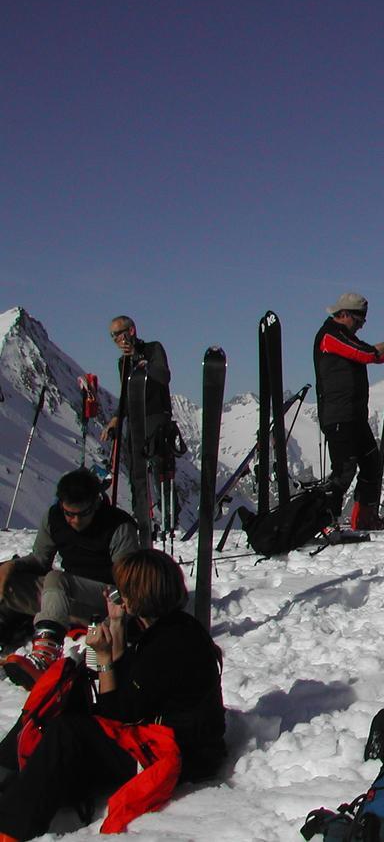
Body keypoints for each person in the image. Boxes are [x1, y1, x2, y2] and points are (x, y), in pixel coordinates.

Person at [0, 548, 226, 840]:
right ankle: (7, 773)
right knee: (67, 697)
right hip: (162, 739)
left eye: (124, 589)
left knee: (68, 731)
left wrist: (104, 658)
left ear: (138, 595)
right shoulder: (167, 629)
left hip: (177, 754)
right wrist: (117, 628)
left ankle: (10, 827)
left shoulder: (171, 643)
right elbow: (126, 685)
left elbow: (116, 713)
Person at [0, 469, 144, 689]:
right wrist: (11, 566)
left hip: (105, 601)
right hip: (62, 595)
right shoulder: (53, 517)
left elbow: (128, 584)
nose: (75, 520)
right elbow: (40, 559)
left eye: (82, 513)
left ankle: (44, 657)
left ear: (95, 503)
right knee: (9, 579)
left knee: (56, 580)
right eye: (69, 514)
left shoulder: (118, 526)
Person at [313, 293, 384, 530]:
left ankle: (364, 516)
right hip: (338, 416)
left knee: (371, 462)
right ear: (344, 314)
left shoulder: (343, 336)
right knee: (344, 470)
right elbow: (367, 354)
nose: (362, 324)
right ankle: (326, 521)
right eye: (359, 319)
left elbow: (373, 355)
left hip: (353, 416)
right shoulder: (331, 336)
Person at [99, 315, 172, 538]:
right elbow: (126, 396)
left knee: (161, 467)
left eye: (119, 333)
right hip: (135, 419)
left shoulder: (153, 349)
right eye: (112, 336)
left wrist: (141, 360)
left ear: (131, 330)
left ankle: (169, 520)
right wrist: (116, 418)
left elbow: (164, 376)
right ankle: (141, 515)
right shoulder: (122, 363)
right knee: (135, 470)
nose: (117, 340)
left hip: (156, 415)